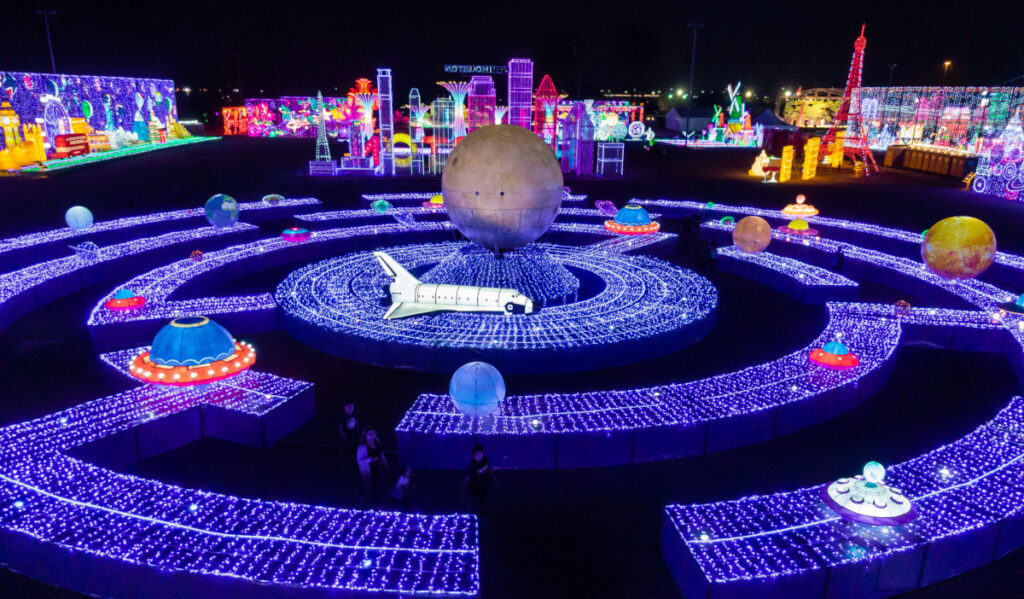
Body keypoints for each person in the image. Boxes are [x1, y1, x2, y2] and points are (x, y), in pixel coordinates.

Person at [356, 429, 387, 503]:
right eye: (369, 434)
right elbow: (359, 461)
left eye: (373, 433)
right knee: (368, 484)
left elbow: (381, 453)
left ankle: (375, 500)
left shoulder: (377, 442)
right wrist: (370, 459)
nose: (371, 435)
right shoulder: (362, 447)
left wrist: (385, 463)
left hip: (378, 467)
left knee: (376, 484)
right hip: (368, 469)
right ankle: (366, 500)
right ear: (365, 435)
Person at [464, 444, 494, 514]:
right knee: (474, 502)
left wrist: (481, 471)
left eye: (481, 454)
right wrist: (464, 485)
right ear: (474, 455)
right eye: (477, 454)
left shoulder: (486, 461)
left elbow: (488, 469)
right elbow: (469, 475)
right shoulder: (472, 464)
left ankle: (482, 515)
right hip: (474, 487)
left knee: (483, 502)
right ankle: (474, 514)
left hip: (484, 486)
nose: (479, 456)